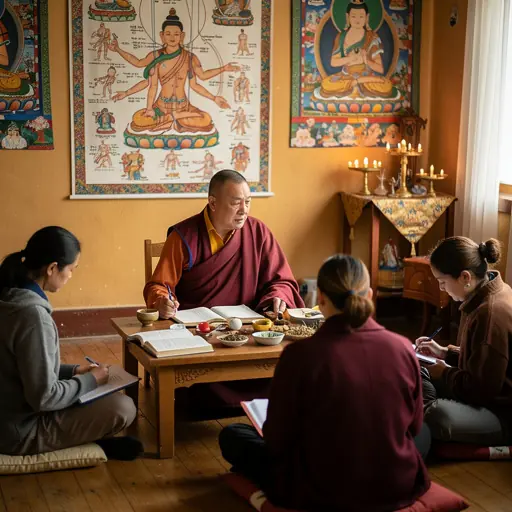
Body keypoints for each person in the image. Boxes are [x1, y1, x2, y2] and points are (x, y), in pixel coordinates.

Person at [219, 255, 430, 511]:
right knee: (421, 437)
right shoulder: (403, 347)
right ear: (370, 294)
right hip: (396, 483)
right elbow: (416, 426)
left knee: (233, 435)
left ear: (320, 298)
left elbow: (277, 439)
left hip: (321, 488)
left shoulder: (300, 355)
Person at [144, 170, 304, 410]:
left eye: (248, 202)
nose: (244, 210)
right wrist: (161, 301)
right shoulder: (184, 236)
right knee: (197, 388)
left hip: (248, 333)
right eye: (235, 203)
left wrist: (278, 297)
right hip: (201, 334)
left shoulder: (258, 232)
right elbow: (159, 285)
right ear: (213, 202)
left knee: (287, 370)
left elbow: (282, 280)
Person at [0, 227, 142, 459]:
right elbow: (44, 397)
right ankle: (90, 444)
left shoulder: (9, 294)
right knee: (122, 408)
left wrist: (74, 371)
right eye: (72, 269)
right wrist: (90, 380)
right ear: (52, 268)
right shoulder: (32, 316)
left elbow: (24, 369)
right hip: (17, 431)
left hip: (9, 414)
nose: (71, 276)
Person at [416, 237, 512, 445]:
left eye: (442, 282)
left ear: (465, 277)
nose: (442, 289)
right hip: (483, 395)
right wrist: (444, 353)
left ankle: (426, 416)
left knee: (437, 415)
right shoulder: (484, 294)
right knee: (416, 371)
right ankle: (425, 413)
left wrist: (445, 372)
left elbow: (481, 390)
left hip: (501, 413)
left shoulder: (491, 313)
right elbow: (482, 362)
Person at [320, 0, 394, 99]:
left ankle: (356, 83)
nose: (357, 20)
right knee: (327, 84)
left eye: (361, 16)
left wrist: (365, 60)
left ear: (367, 17)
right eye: (354, 16)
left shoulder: (371, 37)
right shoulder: (341, 37)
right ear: (348, 17)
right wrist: (350, 59)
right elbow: (333, 62)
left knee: (386, 85)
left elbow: (379, 69)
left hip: (366, 76)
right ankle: (354, 84)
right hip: (346, 76)